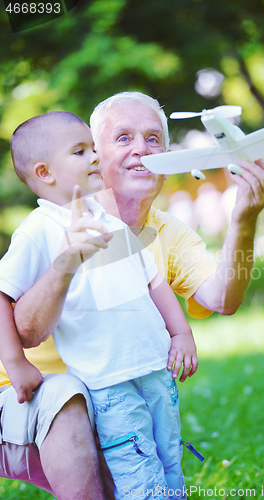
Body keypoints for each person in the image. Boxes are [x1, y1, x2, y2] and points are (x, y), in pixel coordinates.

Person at [0, 92, 264, 497]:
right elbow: (22, 327)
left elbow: (217, 296)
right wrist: (64, 265)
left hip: (130, 383)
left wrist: (244, 219)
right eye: (122, 138)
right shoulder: (47, 227)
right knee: (73, 401)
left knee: (160, 469)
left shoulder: (139, 229)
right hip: (37, 400)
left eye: (153, 139)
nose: (141, 149)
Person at [0, 110, 198, 499]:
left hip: (156, 368)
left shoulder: (108, 221)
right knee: (137, 469)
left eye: (92, 148)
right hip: (108, 381)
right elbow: (3, 295)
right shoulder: (38, 230)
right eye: (79, 151)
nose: (94, 157)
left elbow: (153, 279)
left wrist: (181, 332)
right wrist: (16, 362)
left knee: (169, 459)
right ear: (45, 173)